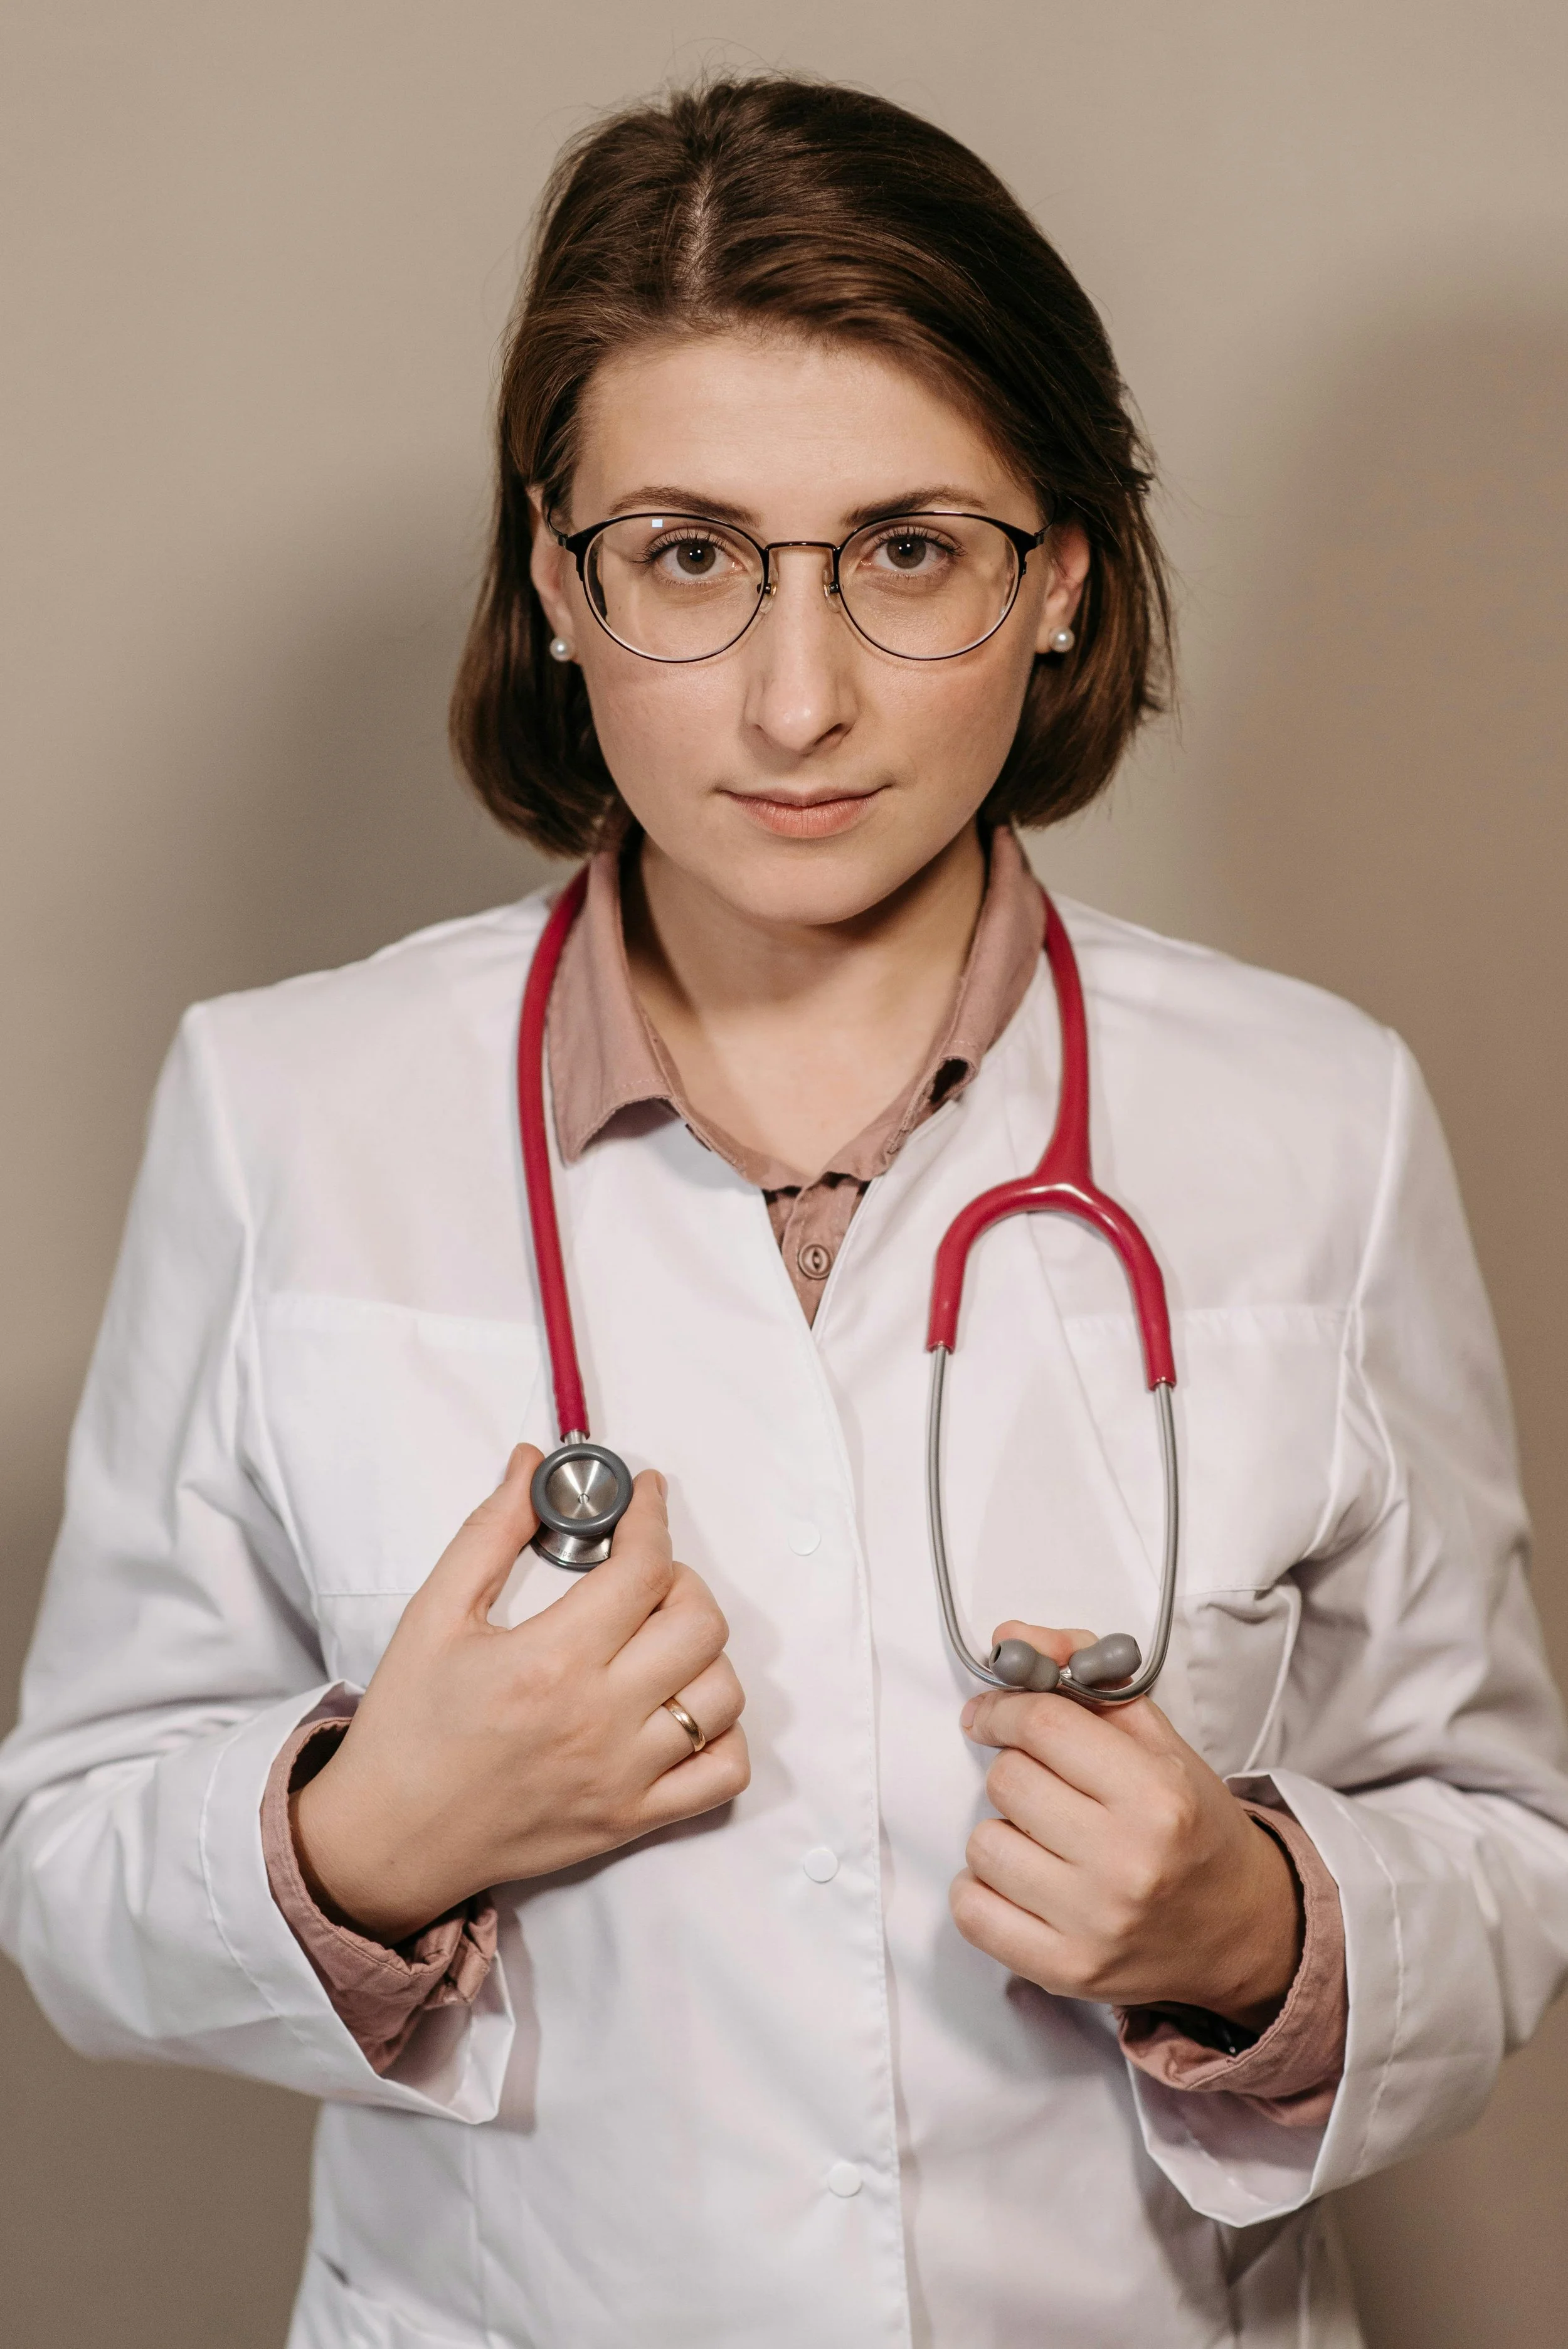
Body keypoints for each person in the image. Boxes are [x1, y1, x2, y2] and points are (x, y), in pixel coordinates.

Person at [2, 72, 1565, 2349]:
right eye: (688, 554)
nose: (796, 698)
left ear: (1058, 581)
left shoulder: (1315, 1120)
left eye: (908, 551)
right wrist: (359, 1842)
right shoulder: (285, 1110)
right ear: (559, 582)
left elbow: (1499, 1842)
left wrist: (1254, 1928)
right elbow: (68, 1864)